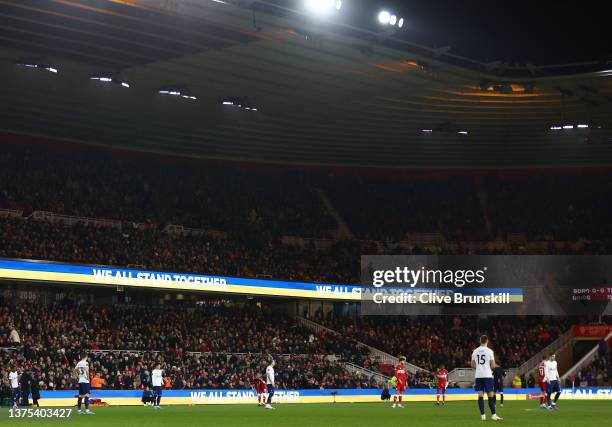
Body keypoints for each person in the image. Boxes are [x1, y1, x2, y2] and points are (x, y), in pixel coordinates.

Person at [471, 335, 503, 421]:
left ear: (480, 341)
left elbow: (472, 365)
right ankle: (493, 415)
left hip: (478, 375)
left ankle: (483, 415)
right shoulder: (489, 351)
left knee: (480, 395)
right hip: (487, 375)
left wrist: (479, 367)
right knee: (490, 394)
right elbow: (493, 366)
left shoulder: (475, 351)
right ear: (487, 341)